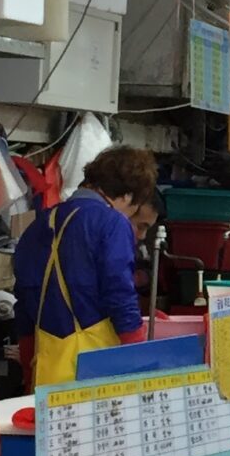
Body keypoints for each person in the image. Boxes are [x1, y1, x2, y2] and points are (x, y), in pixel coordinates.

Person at [13, 144, 154, 386]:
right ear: (128, 196)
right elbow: (119, 292)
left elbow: (24, 303)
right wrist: (139, 355)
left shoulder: (37, 226)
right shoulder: (112, 223)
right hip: (96, 371)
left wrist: (28, 366)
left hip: (45, 368)